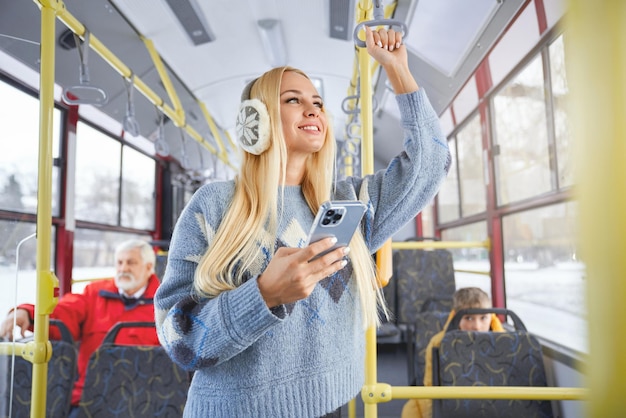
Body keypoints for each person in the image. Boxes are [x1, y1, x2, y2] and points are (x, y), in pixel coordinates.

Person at [154, 25, 451, 418]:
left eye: (318, 102)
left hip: (334, 404)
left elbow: (431, 165)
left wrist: (398, 71)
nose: (313, 109)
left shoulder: (349, 202)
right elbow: (178, 335)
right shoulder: (213, 205)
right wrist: (263, 295)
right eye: (293, 100)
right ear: (254, 120)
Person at [0, 239, 161, 413]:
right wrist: (27, 312)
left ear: (148, 267)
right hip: (92, 394)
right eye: (119, 262)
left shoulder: (163, 303)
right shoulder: (95, 294)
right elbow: (63, 312)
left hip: (145, 398)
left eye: (131, 263)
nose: (123, 269)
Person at [401, 287, 505, 418]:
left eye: (483, 318)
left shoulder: (506, 344)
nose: (477, 326)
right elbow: (431, 384)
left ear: (492, 317)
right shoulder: (438, 344)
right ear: (455, 317)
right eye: (469, 318)